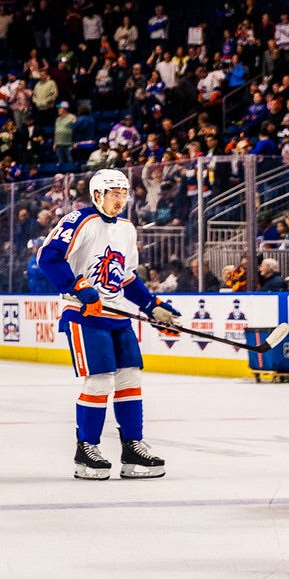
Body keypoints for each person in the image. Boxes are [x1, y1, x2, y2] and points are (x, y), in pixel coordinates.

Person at [34, 168, 180, 480]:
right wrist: (78, 287)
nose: (119, 200)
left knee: (130, 377)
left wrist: (152, 306)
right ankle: (87, 449)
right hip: (84, 314)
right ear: (97, 195)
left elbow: (126, 277)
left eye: (123, 194)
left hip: (117, 315)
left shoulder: (127, 228)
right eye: (114, 194)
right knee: (99, 379)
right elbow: (48, 258)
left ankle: (132, 447)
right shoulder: (79, 220)